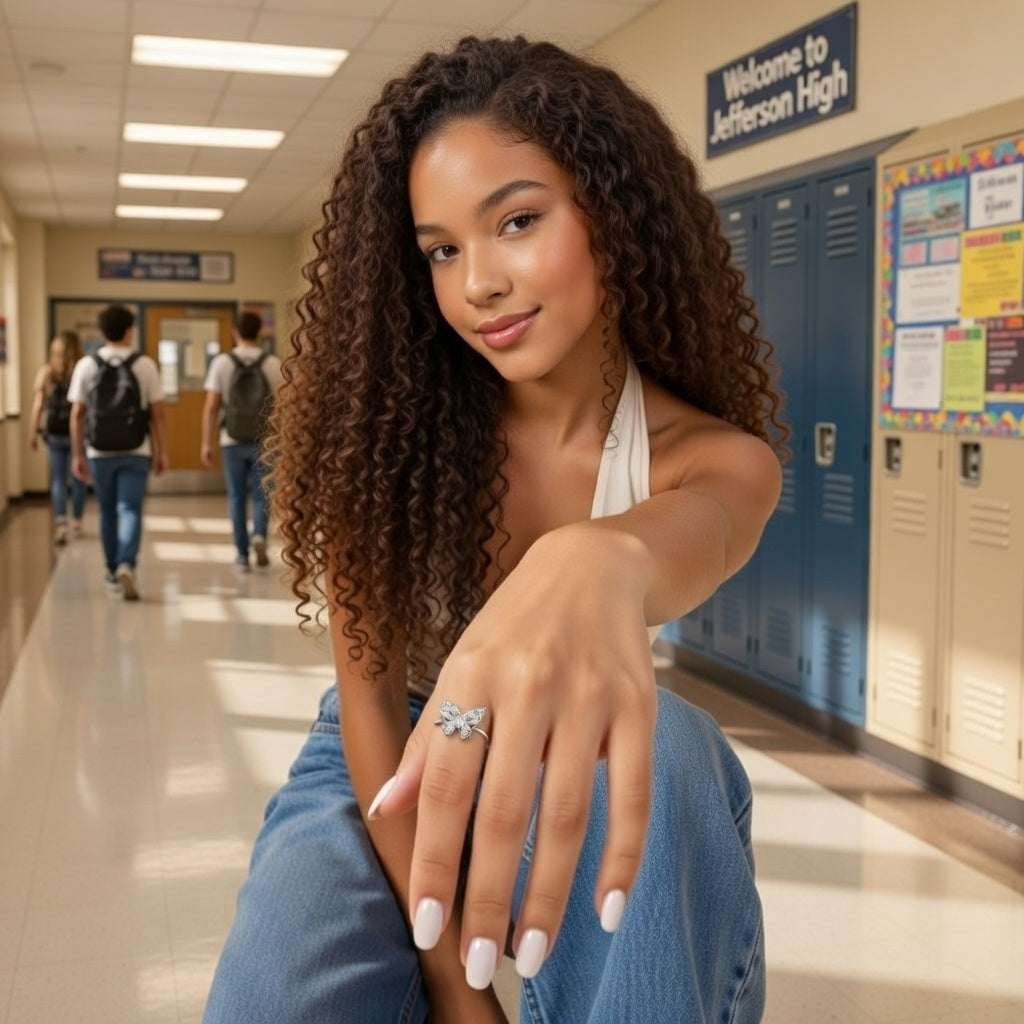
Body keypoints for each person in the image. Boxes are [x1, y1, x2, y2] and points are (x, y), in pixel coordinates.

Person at [203, 36, 786, 1024]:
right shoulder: (381, 442)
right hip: (399, 740)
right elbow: (373, 700)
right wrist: (456, 986)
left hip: (577, 732)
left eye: (516, 220)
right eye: (441, 249)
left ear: (614, 217)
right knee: (281, 979)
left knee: (674, 746)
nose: (477, 281)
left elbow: (701, 527)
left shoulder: (710, 457)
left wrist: (600, 555)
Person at [69, 304, 168, 600]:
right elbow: (158, 414)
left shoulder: (87, 365)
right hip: (137, 448)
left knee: (107, 511)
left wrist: (77, 454)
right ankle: (127, 563)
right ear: (128, 330)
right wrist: (162, 452)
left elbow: (77, 413)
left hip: (98, 451)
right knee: (130, 509)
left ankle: (111, 571)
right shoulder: (145, 365)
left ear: (103, 331)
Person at [200, 311, 282, 571]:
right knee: (262, 494)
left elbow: (212, 406)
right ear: (259, 332)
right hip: (264, 439)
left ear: (235, 331)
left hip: (231, 439)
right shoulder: (272, 363)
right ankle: (259, 534)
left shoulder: (222, 363)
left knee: (236, 497)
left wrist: (206, 442)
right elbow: (282, 407)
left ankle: (242, 556)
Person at [28, 330, 88, 545]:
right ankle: (78, 521)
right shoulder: (82, 370)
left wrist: (32, 433)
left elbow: (38, 405)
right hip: (78, 434)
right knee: (79, 476)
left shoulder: (46, 372)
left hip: (53, 433)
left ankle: (61, 521)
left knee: (58, 480)